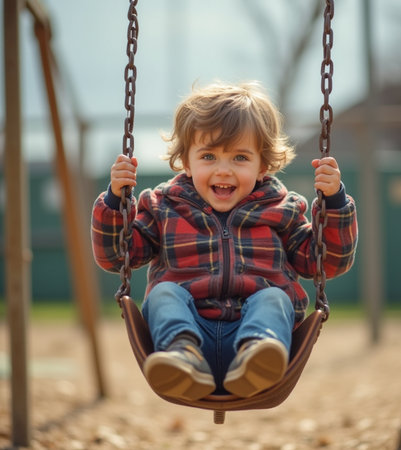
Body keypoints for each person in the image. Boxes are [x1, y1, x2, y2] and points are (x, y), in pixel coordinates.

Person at [91, 81, 358, 402]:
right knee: (164, 294)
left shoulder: (283, 210)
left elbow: (327, 262)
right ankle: (184, 361)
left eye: (240, 158)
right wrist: (114, 202)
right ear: (186, 162)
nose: (223, 170)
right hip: (184, 338)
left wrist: (334, 204)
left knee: (274, 298)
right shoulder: (163, 207)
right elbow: (116, 258)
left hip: (259, 340)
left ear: (264, 165)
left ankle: (257, 358)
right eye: (208, 156)